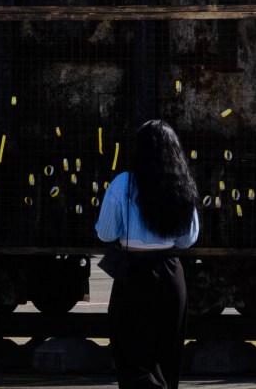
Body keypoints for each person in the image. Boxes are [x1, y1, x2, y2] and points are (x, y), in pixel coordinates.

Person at [96, 120, 200, 389]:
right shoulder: (183, 184)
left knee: (131, 356)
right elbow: (188, 240)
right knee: (168, 356)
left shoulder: (123, 184)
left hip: (134, 274)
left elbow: (105, 233)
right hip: (170, 272)